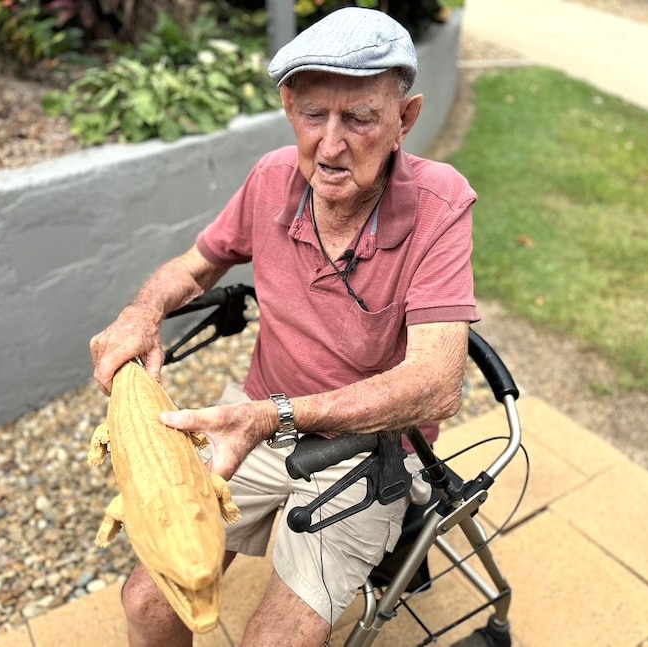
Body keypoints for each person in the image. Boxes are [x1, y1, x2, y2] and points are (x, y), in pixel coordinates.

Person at [89, 6, 478, 646]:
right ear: (288, 108)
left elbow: (438, 385)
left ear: (403, 121)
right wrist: (142, 311)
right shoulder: (272, 178)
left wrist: (274, 416)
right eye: (313, 115)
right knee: (148, 603)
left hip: (371, 449)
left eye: (359, 118)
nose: (329, 145)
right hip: (255, 416)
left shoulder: (439, 205)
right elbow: (195, 268)